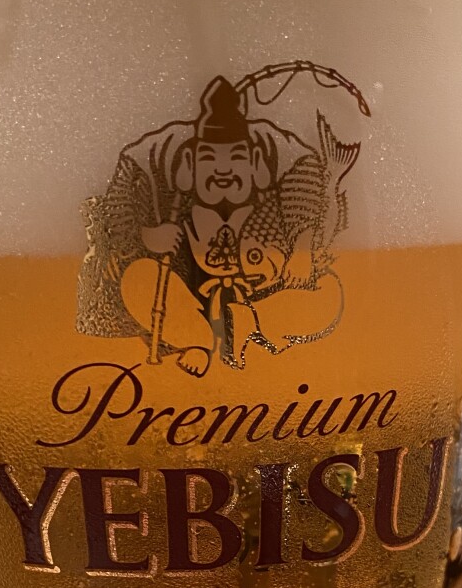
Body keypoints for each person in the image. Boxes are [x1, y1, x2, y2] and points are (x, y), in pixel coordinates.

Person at [78, 74, 359, 374]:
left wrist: (301, 249)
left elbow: (305, 196)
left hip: (260, 302)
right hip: (189, 305)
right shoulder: (177, 210)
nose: (223, 169)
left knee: (330, 292)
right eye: (209, 159)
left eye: (236, 158)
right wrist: (147, 236)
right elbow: (119, 219)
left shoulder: (269, 212)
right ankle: (198, 341)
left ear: (255, 165)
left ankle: (248, 322)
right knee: (139, 278)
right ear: (189, 165)